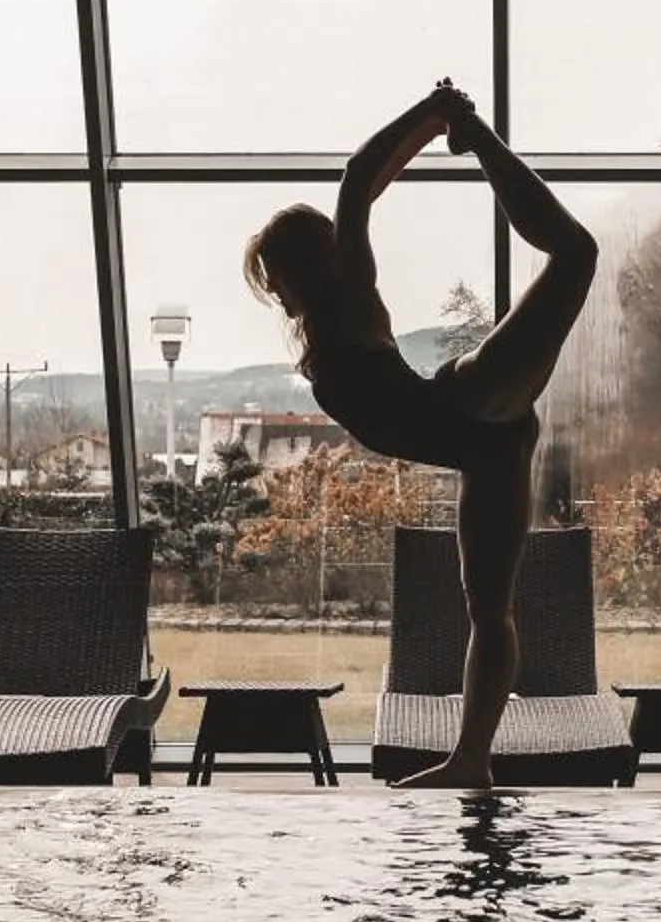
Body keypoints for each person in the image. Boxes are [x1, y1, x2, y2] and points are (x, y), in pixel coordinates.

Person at [243, 80, 597, 788]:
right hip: (482, 444)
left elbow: (358, 179)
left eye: (273, 274)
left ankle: (483, 143)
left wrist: (441, 117)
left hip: (470, 404)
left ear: (299, 264)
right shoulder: (323, 329)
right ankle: (472, 760)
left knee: (576, 254)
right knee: (488, 608)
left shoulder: (348, 295)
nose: (273, 291)